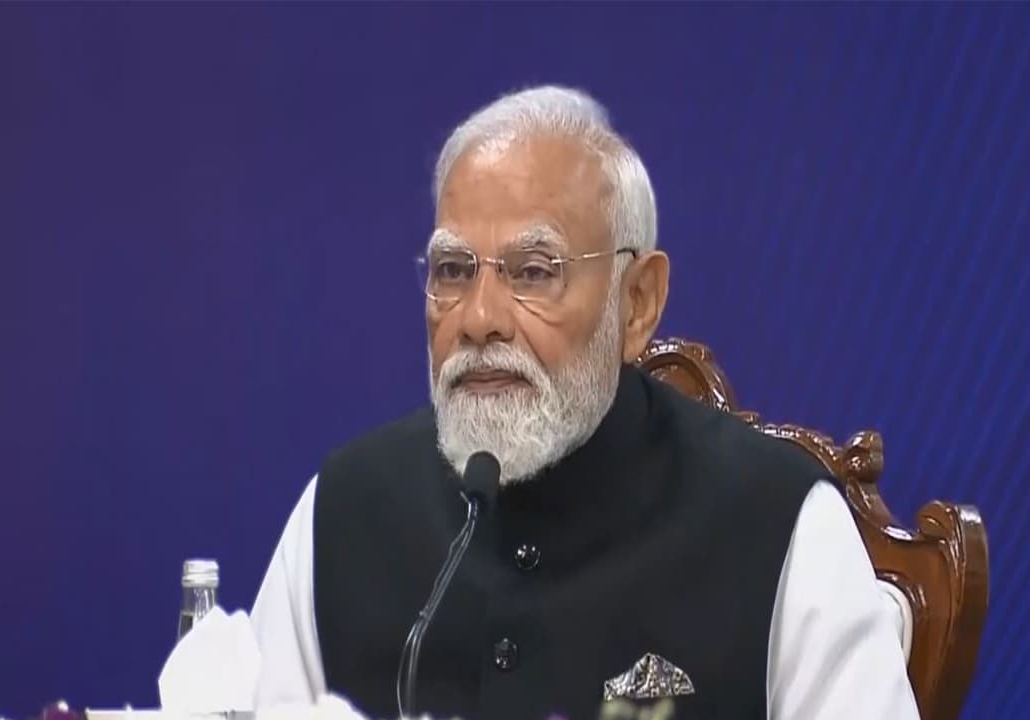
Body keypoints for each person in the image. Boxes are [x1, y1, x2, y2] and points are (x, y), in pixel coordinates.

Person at [248, 86, 918, 720]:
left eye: (533, 272)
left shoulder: (778, 522)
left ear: (637, 302)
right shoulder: (342, 510)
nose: (478, 320)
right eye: (453, 271)